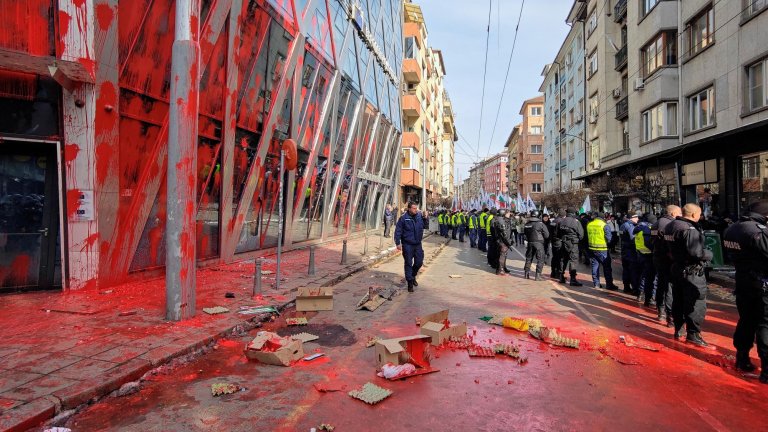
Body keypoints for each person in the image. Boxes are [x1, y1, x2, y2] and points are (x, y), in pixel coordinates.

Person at [722, 200, 768, 382]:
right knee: (765, 324)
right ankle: (766, 370)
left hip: (743, 282)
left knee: (746, 320)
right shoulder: (758, 231)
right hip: (761, 283)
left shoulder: (732, 229)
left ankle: (742, 357)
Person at [664, 203, 713, 347]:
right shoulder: (689, 229)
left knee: (678, 300)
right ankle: (693, 334)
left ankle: (679, 329)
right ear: (693, 215)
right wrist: (709, 254)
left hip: (677, 268)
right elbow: (696, 253)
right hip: (691, 271)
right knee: (696, 302)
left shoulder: (671, 225)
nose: (700, 217)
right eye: (699, 214)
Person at [652, 205, 682, 325]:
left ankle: (660, 310)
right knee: (669, 287)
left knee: (661, 284)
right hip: (667, 259)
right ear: (673, 213)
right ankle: (670, 315)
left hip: (657, 257)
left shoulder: (656, 223)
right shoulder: (670, 225)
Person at [394, 202, 425, 292]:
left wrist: (426, 218)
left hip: (418, 244)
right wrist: (397, 243)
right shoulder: (403, 218)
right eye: (414, 208)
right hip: (407, 244)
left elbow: (425, 226)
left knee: (419, 262)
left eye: (416, 208)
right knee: (408, 263)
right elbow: (398, 231)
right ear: (409, 209)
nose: (416, 210)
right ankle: (410, 283)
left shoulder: (419, 216)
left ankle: (413, 275)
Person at [587, 212, 619, 290]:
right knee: (607, 267)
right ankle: (609, 284)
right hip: (602, 249)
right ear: (603, 218)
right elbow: (609, 239)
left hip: (592, 248)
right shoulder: (604, 225)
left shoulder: (589, 224)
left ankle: (596, 284)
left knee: (595, 266)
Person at [556, 208, 585, 286]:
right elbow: (581, 235)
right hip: (573, 243)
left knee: (563, 260)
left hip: (563, 242)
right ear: (574, 213)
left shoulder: (561, 221)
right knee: (573, 260)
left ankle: (561, 276)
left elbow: (557, 234)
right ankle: (572, 279)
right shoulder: (576, 222)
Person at [634, 213, 657, 306]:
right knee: (650, 278)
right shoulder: (647, 229)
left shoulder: (639, 227)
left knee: (643, 276)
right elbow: (649, 243)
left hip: (640, 254)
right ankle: (650, 297)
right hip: (648, 255)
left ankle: (640, 293)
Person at [524, 210, 549, 281]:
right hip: (539, 243)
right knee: (540, 259)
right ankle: (538, 275)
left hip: (530, 242)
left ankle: (526, 273)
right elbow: (547, 235)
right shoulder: (540, 224)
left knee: (529, 258)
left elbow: (525, 234)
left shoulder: (527, 224)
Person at [620, 213, 640, 294]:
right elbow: (633, 239)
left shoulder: (622, 225)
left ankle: (626, 287)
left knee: (625, 270)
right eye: (636, 217)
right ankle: (635, 289)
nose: (638, 219)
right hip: (630, 251)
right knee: (633, 270)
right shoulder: (630, 226)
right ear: (632, 218)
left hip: (624, 250)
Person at [492, 209, 513, 275]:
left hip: (501, 240)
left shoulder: (499, 220)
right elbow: (504, 233)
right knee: (502, 255)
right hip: (502, 241)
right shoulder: (501, 221)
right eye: (507, 213)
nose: (509, 214)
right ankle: (500, 270)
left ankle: (502, 268)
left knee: (502, 255)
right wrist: (508, 242)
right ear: (503, 213)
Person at [549, 211, 564, 280]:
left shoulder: (553, 221)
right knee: (560, 258)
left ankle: (553, 272)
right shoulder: (561, 221)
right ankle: (559, 274)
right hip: (559, 241)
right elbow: (562, 232)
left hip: (553, 241)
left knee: (554, 257)